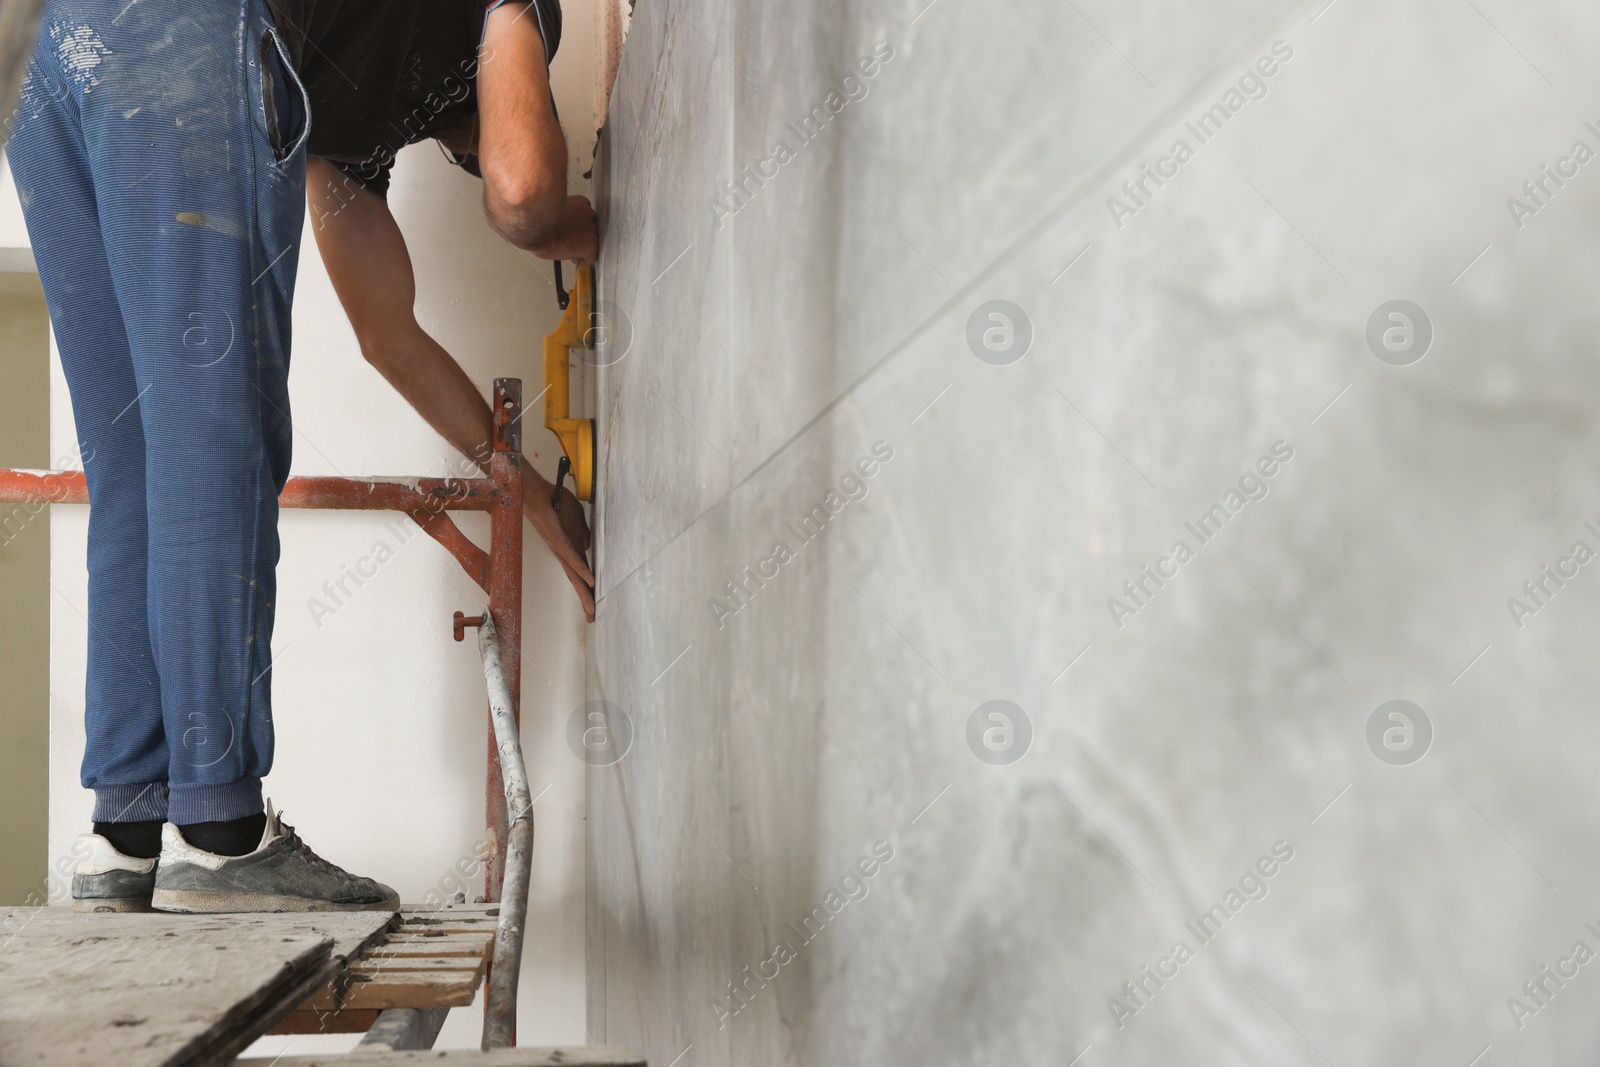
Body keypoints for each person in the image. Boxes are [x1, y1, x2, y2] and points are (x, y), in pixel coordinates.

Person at [7, 0, 594, 913]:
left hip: (45, 53)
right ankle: (221, 838)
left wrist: (523, 488)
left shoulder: (346, 113)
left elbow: (388, 338)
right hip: (183, 32)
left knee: (135, 460)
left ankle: (124, 833)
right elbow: (522, 195)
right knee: (215, 443)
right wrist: (568, 226)